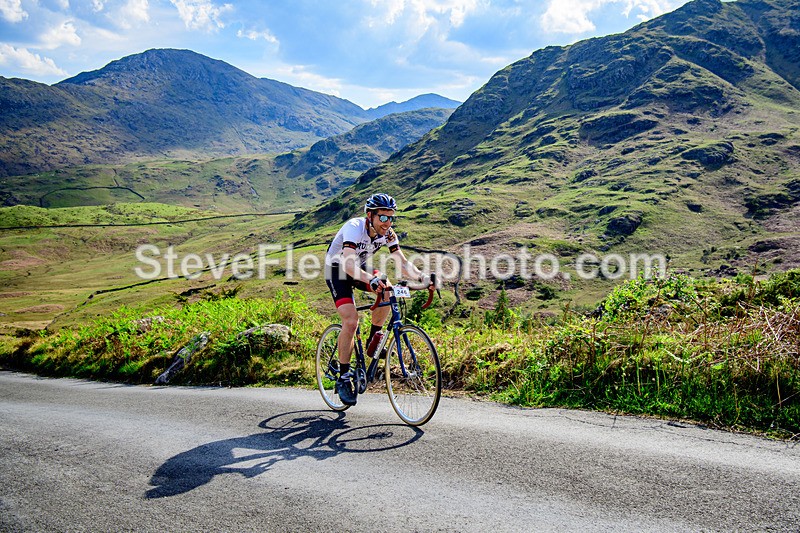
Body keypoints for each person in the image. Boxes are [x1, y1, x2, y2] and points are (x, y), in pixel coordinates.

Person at [324, 193, 431, 406]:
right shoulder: (355, 227)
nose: (387, 223)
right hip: (338, 269)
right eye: (383, 217)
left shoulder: (388, 234)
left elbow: (402, 263)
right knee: (351, 321)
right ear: (370, 215)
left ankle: (375, 340)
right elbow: (347, 265)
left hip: (359, 267)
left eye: (391, 218)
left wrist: (423, 277)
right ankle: (344, 377)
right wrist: (370, 280)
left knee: (387, 287)